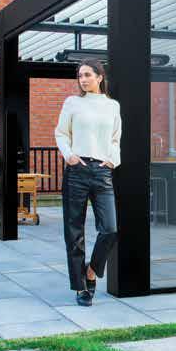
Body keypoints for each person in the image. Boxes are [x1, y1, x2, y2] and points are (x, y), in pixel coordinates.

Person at [54, 60, 122, 306]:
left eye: (87, 75)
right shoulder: (72, 103)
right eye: (80, 75)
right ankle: (81, 287)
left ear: (100, 77)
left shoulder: (112, 106)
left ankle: (91, 271)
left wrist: (113, 160)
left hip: (102, 172)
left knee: (110, 228)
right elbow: (61, 133)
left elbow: (115, 139)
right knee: (74, 231)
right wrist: (69, 156)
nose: (82, 79)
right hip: (77, 170)